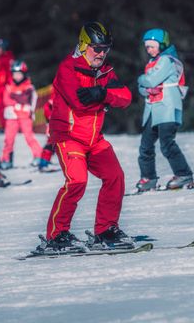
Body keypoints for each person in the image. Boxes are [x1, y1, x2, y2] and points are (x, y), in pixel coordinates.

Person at [38, 22, 132, 253]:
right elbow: (80, 103)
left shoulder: (105, 71)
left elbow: (126, 97)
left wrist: (102, 93)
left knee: (115, 176)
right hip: (68, 137)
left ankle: (106, 230)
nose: (101, 53)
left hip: (94, 139)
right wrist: (107, 97)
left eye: (105, 49)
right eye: (96, 48)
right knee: (77, 181)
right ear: (83, 45)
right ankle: (56, 235)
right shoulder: (68, 68)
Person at [136, 28, 193, 191]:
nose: (150, 50)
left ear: (162, 45)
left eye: (153, 46)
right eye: (147, 47)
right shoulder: (151, 63)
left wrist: (142, 80)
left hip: (167, 108)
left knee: (167, 144)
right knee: (145, 146)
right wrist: (145, 88)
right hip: (152, 110)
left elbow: (150, 79)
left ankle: (184, 174)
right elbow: (144, 87)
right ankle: (149, 178)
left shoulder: (167, 60)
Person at [0, 60, 43, 169]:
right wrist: (18, 103)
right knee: (9, 139)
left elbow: (31, 100)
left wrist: (27, 107)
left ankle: (39, 156)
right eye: (15, 74)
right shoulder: (9, 87)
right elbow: (6, 100)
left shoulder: (29, 87)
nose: (17, 76)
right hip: (12, 117)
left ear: (24, 74)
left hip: (25, 117)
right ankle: (6, 159)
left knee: (29, 137)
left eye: (19, 74)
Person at [0, 39, 16, 129]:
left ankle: (7, 126)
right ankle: (3, 126)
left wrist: (10, 86)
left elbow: (11, 73)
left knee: (4, 107)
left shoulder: (8, 58)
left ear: (3, 48)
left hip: (5, 87)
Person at [37, 87, 57, 172]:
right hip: (53, 126)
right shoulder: (51, 102)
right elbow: (47, 110)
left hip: (65, 125)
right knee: (51, 144)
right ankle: (43, 163)